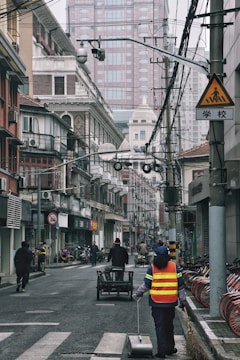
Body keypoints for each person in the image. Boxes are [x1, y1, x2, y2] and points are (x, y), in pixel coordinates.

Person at [135, 245, 187, 359]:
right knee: (169, 325)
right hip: (170, 302)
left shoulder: (152, 267)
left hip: (157, 302)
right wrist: (183, 300)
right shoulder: (174, 267)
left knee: (160, 327)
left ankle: (161, 352)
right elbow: (181, 285)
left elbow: (146, 284)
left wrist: (138, 293)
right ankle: (170, 348)